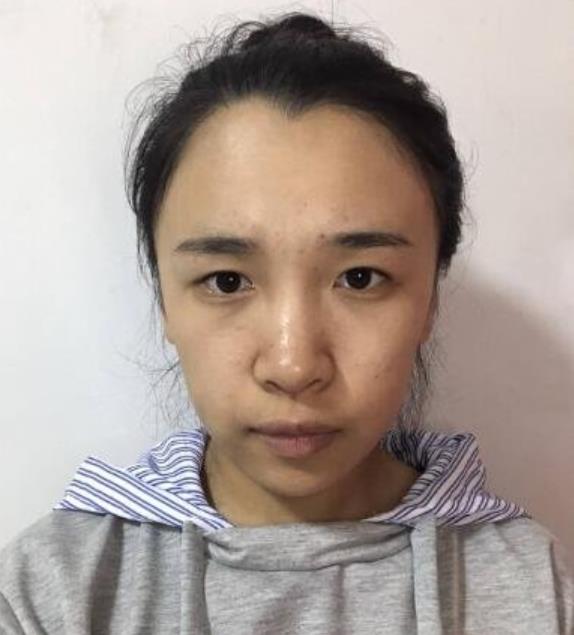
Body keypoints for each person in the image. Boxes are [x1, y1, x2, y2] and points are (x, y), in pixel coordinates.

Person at [0, 10, 572, 634]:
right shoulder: (51, 592)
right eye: (226, 281)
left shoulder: (534, 590)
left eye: (361, 277)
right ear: (164, 298)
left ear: (430, 298)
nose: (293, 366)